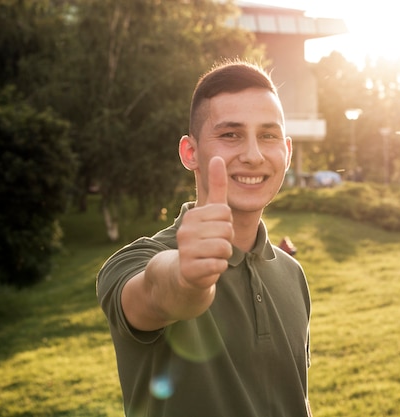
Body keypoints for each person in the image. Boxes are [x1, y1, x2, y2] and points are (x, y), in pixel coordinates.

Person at [96, 60, 312, 417]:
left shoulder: (293, 274)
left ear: (286, 151)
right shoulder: (133, 262)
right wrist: (186, 277)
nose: (253, 155)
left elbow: (296, 400)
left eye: (268, 136)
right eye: (231, 134)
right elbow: (156, 291)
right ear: (190, 152)